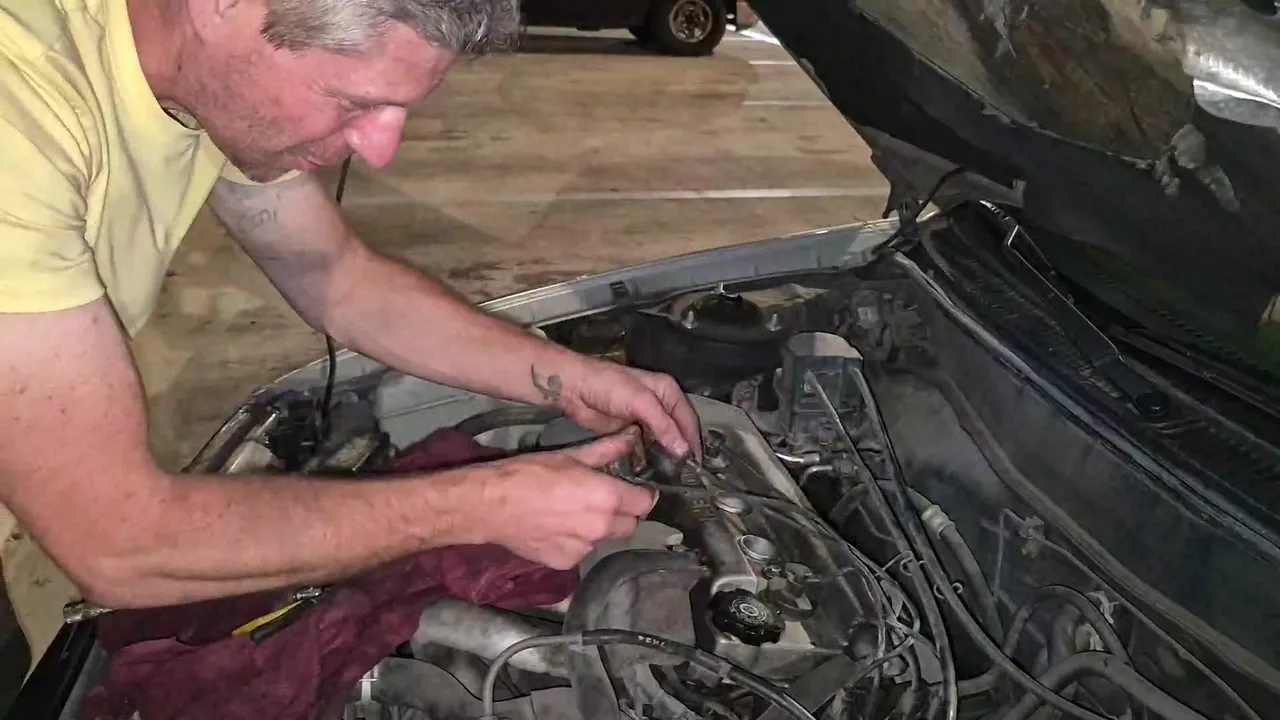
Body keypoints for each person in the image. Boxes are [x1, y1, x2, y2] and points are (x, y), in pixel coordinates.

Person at [0, 0, 701, 611]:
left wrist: (567, 377)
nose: (381, 150)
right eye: (353, 102)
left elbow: (337, 277)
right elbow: (118, 542)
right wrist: (476, 506)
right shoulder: (20, 118)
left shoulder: (204, 76)